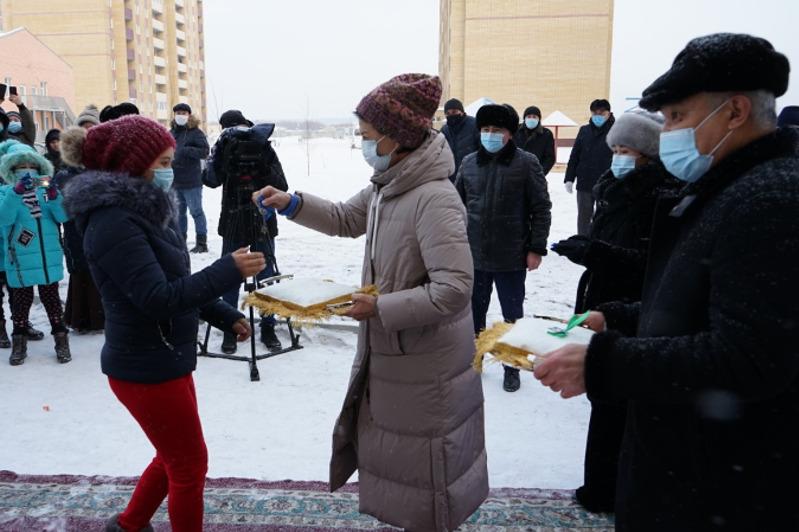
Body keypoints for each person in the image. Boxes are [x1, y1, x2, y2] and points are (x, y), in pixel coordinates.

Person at [535, 33, 799, 531]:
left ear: (736, 111)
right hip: (688, 468)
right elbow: (697, 299)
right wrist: (615, 315)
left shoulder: (771, 201)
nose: (669, 132)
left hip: (720, 484)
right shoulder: (723, 188)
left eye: (678, 117)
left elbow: (750, 356)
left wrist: (605, 362)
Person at [255, 73, 488, 532]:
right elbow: (346, 218)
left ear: (396, 138)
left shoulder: (433, 197)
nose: (361, 144)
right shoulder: (389, 183)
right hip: (396, 354)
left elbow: (455, 289)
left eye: (365, 136)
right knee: (401, 464)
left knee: (427, 468)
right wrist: (292, 203)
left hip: (425, 363)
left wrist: (380, 308)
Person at [60, 115, 263, 532]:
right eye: (164, 160)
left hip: (164, 359)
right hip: (144, 367)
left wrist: (225, 314)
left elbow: (173, 284)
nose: (171, 170)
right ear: (135, 164)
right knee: (189, 466)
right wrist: (228, 271)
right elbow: (157, 300)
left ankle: (129, 524)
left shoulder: (143, 213)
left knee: (173, 457)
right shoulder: (113, 222)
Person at [551, 109, 679, 513]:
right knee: (603, 399)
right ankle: (602, 485)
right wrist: (589, 254)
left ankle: (612, 490)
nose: (619, 157)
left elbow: (653, 263)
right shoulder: (612, 187)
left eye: (628, 150)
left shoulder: (662, 196)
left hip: (633, 309)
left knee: (619, 402)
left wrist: (596, 251)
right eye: (616, 149)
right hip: (600, 301)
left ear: (649, 155)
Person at [455, 103, 552, 393]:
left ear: (510, 134)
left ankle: (512, 365)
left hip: (511, 255)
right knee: (474, 313)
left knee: (512, 315)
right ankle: (475, 360)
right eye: (485, 130)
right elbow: (456, 205)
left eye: (497, 130)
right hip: (474, 254)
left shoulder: (527, 163)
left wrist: (536, 248)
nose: (490, 135)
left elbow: (541, 208)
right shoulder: (469, 163)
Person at [204, 109, 287, 354]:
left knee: (248, 275)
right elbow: (210, 179)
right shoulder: (243, 144)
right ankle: (250, 327)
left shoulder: (246, 145)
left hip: (247, 219)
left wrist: (259, 167)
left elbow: (210, 179)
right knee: (248, 275)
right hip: (248, 219)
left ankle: (251, 328)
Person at [0, 140, 71, 365]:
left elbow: (63, 217)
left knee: (52, 301)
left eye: (31, 165)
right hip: (19, 259)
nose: (27, 170)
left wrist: (55, 196)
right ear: (11, 170)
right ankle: (19, 343)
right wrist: (16, 193)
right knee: (21, 303)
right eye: (21, 166)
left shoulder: (45, 192)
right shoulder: (5, 193)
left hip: (48, 257)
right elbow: (4, 219)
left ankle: (62, 342)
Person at [54, 119, 104, 333]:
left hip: (98, 227)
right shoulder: (64, 175)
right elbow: (62, 206)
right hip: (76, 230)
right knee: (80, 271)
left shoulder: (99, 169)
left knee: (98, 269)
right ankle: (81, 318)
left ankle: (99, 317)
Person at [564, 99, 615, 236]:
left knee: (604, 215)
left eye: (602, 113)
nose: (598, 116)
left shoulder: (615, 131)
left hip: (607, 182)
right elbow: (574, 155)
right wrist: (569, 178)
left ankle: (601, 242)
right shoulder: (584, 130)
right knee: (584, 216)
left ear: (609, 114)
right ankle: (582, 243)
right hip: (585, 181)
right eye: (595, 113)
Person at [170, 103, 210, 252]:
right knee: (179, 213)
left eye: (183, 113)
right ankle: (181, 241)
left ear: (188, 115)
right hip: (175, 181)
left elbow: (205, 151)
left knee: (196, 211)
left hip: (192, 180)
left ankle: (201, 242)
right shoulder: (171, 132)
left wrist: (187, 150)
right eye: (178, 112)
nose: (180, 115)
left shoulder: (195, 132)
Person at [440, 97, 480, 181]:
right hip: (451, 175)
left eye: (454, 112)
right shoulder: (445, 130)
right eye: (448, 113)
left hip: (472, 174)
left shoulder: (474, 125)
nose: (451, 115)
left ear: (461, 112)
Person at [513, 105, 556, 175]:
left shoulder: (546, 134)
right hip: (515, 173)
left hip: (536, 174)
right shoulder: (516, 131)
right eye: (529, 117)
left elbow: (550, 158)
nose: (531, 119)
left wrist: (540, 173)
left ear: (539, 119)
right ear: (524, 118)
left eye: (534, 117)